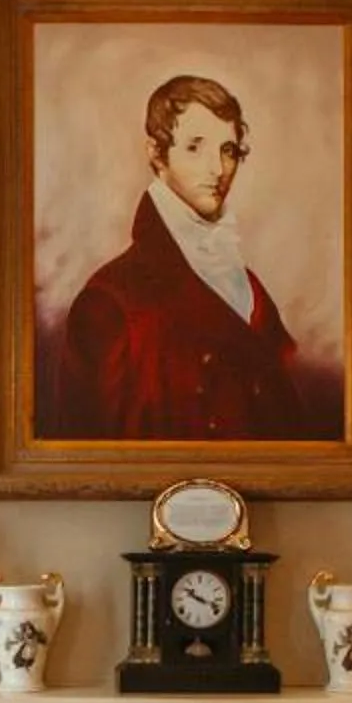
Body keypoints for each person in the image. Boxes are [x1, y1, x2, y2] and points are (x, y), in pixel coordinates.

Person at [46, 74, 328, 442]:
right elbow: (90, 453)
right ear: (156, 153)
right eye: (196, 147)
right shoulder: (110, 300)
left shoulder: (249, 287)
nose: (217, 169)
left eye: (228, 150)